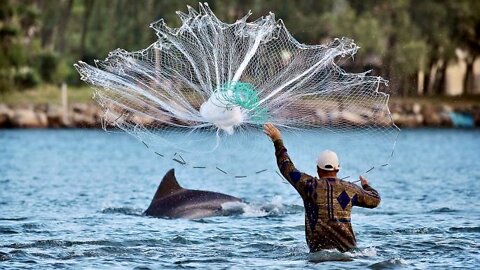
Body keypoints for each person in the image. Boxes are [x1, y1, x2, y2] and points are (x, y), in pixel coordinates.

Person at [263, 123, 381, 252]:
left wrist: (277, 140)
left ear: (318, 169)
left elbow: (286, 166)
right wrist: (366, 186)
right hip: (348, 254)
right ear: (338, 168)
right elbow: (375, 200)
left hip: (318, 254)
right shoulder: (351, 190)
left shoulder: (308, 185)